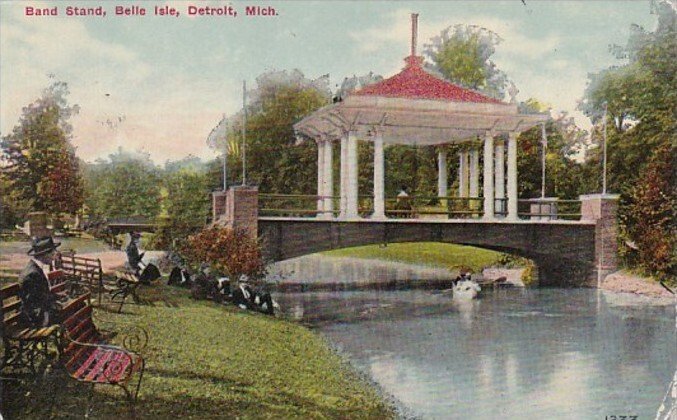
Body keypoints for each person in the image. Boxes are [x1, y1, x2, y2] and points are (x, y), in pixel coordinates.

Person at [19, 236, 64, 327]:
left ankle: (88, 335)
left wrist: (57, 296)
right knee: (72, 310)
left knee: (76, 306)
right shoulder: (32, 274)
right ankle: (80, 338)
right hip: (35, 317)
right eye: (52, 253)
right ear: (44, 255)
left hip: (40, 311)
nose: (55, 255)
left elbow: (41, 295)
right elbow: (35, 302)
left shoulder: (36, 268)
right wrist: (56, 302)